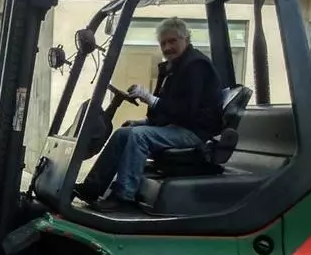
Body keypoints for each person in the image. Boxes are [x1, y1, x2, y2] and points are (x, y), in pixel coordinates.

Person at [76, 17, 224, 212]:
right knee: (124, 132)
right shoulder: (174, 68)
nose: (167, 47)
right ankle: (92, 187)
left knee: (139, 136)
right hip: (179, 127)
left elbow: (186, 112)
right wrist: (144, 121)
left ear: (186, 39)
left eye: (172, 41)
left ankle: (124, 196)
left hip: (196, 132)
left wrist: (150, 99)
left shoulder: (196, 66)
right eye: (163, 43)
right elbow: (168, 111)